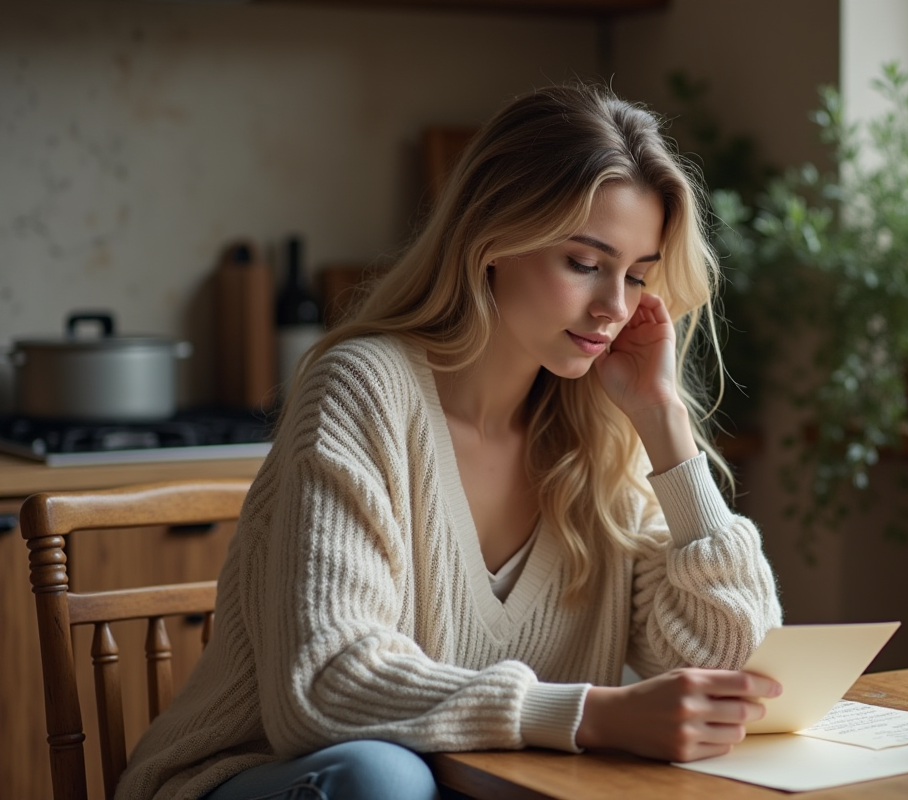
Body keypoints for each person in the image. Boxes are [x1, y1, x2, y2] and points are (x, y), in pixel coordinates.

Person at [117, 83, 783, 800]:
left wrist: (663, 420)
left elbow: (733, 664)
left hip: (472, 786)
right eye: (585, 263)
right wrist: (590, 713)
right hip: (265, 777)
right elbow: (327, 685)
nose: (613, 308)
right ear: (493, 239)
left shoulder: (599, 436)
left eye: (637, 276)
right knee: (385, 780)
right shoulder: (363, 388)